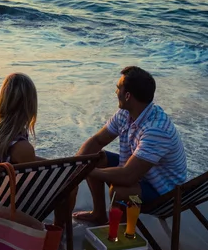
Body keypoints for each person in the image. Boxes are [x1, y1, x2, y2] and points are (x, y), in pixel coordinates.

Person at [73, 66, 187, 224]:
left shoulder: (156, 129)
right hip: (142, 172)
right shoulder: (126, 113)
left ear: (127, 96)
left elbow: (128, 176)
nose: (115, 92)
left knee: (119, 192)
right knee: (95, 159)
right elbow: (97, 141)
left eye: (118, 88)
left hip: (162, 191)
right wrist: (77, 163)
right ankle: (99, 213)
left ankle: (115, 233)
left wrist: (86, 172)